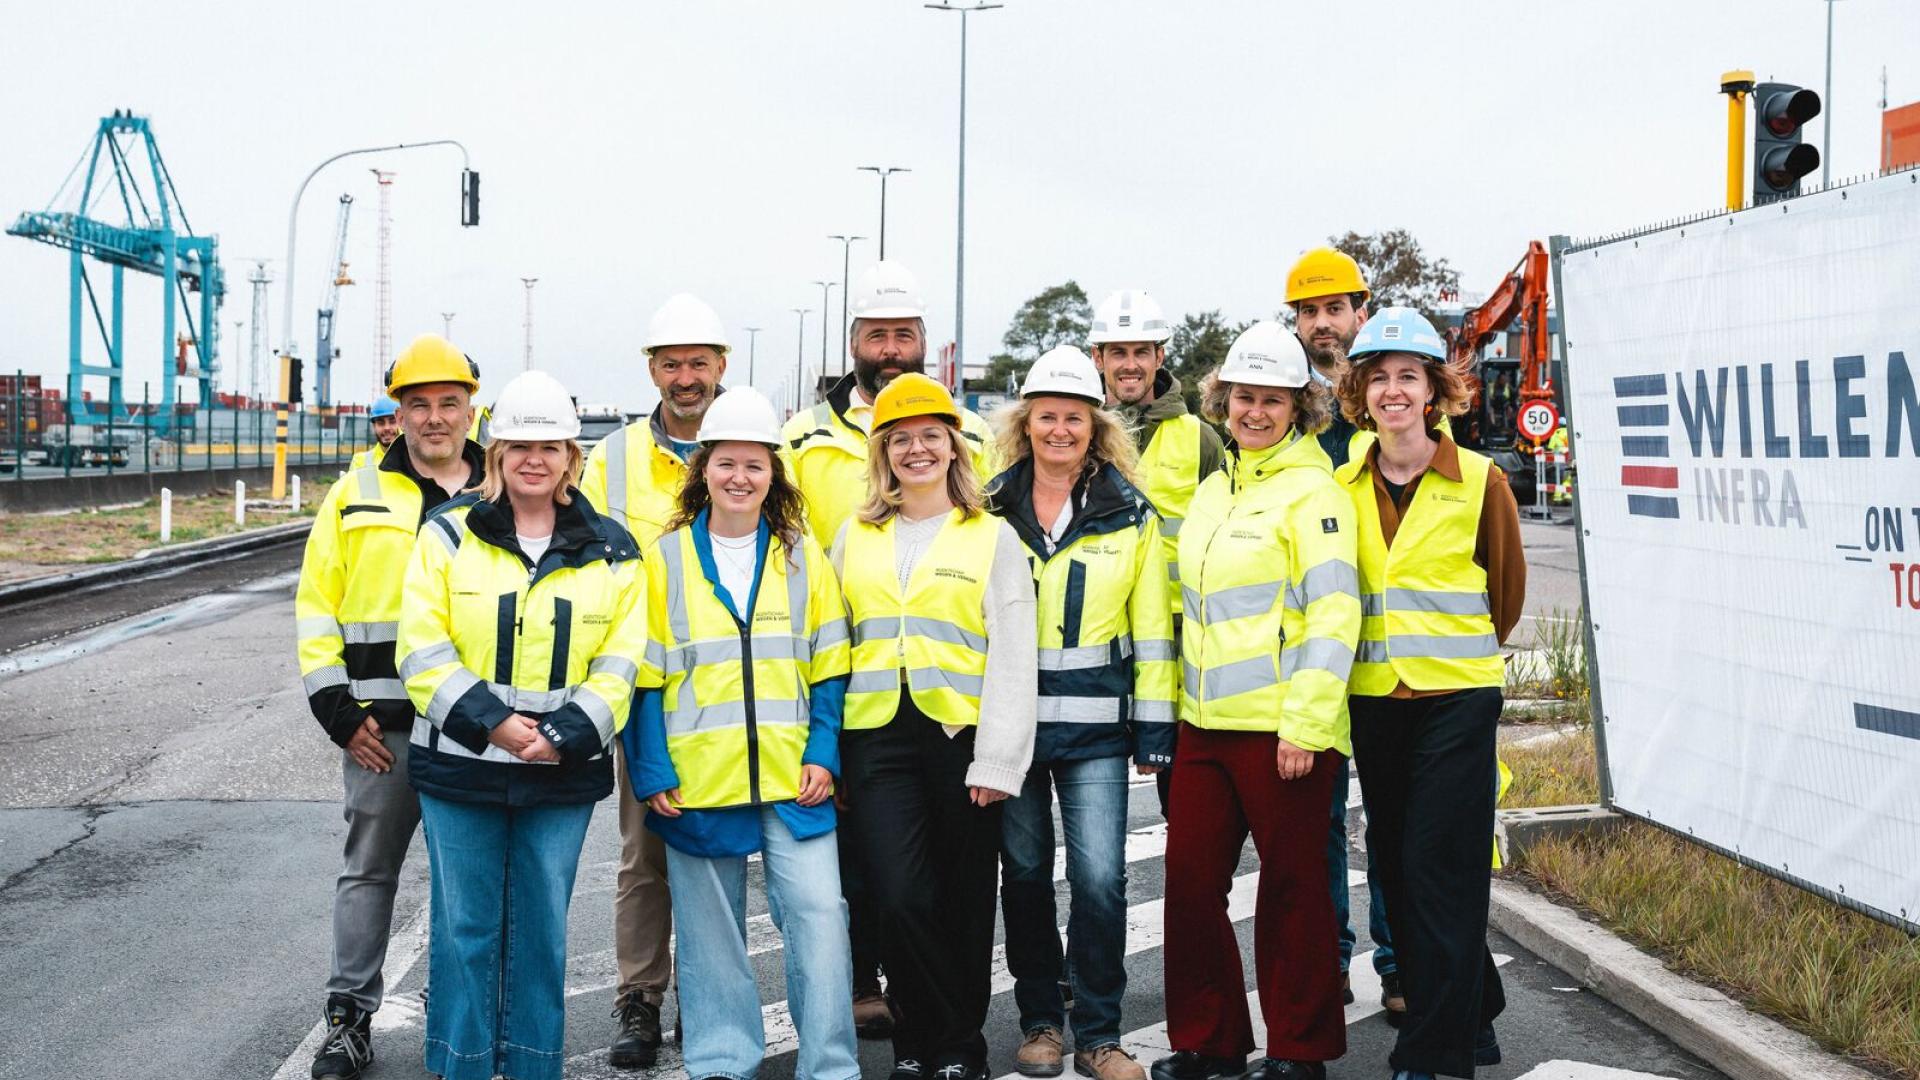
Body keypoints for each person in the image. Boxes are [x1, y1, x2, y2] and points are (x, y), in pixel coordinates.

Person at [396, 369, 652, 1080]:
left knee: (540, 934)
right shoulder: (447, 536)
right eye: (519, 446)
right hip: (462, 767)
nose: (534, 459)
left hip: (559, 774)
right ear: (496, 454)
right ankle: (463, 1067)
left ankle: (536, 1067)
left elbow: (624, 659)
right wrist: (495, 726)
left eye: (551, 447)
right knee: (465, 932)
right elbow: (421, 648)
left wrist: (565, 734)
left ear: (573, 457)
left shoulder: (613, 548)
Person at [782, 260, 998, 1037]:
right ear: (854, 342)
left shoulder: (975, 443)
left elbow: (1000, 613)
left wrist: (1000, 752)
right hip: (869, 713)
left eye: (904, 333)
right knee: (877, 879)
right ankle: (881, 993)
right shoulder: (805, 439)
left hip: (956, 716)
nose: (891, 345)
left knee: (955, 886)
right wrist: (824, 736)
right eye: (878, 333)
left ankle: (946, 1031)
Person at [624, 385, 861, 1080]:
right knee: (709, 934)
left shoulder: (800, 556)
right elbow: (644, 677)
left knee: (820, 918)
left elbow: (830, 664)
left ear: (773, 475)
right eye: (726, 463)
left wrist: (824, 751)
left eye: (754, 465)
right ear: (704, 470)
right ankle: (723, 1059)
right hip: (698, 779)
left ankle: (831, 1065)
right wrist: (652, 770)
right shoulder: (663, 561)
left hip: (795, 775)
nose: (739, 477)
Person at [1152, 323, 1360, 1080]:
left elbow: (1336, 616)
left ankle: (1300, 1052)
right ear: (1223, 399)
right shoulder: (1212, 493)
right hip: (1203, 727)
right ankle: (1210, 1043)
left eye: (1273, 399)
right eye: (1244, 396)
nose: (1255, 411)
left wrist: (1304, 724)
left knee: (1294, 891)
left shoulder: (1317, 494)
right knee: (1189, 885)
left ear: (1299, 406)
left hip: (1283, 733)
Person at [1332, 308, 1526, 1080]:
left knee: (1439, 868)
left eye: (1408, 376)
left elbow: (1506, 596)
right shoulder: (1341, 484)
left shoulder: (1481, 480)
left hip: (1457, 701)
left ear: (1436, 390)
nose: (1392, 391)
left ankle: (1435, 1056)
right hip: (1375, 702)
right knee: (1402, 866)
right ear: (1359, 392)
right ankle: (1474, 1009)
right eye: (1377, 378)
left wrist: (1455, 664)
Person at [833, 372, 1036, 1080]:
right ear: (882, 453)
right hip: (875, 738)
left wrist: (998, 760)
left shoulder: (992, 536)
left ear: (953, 448)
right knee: (896, 894)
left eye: (930, 437)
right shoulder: (853, 537)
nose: (916, 450)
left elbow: (1014, 654)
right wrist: (826, 751)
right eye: (900, 440)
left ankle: (952, 1048)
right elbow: (831, 645)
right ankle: (921, 1032)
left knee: (965, 897)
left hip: (961, 739)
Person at [295, 334, 485, 1080]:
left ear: (473, 407)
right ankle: (348, 1019)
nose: (434, 418)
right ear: (397, 412)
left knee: (464, 881)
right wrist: (336, 709)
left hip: (475, 727)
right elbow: (317, 604)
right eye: (418, 405)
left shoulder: (501, 492)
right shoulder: (357, 493)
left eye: (448, 403)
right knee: (369, 871)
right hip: (382, 730)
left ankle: (458, 1016)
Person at [986, 347, 1173, 1080]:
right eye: (1046, 417)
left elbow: (1153, 628)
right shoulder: (989, 509)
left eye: (1074, 418)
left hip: (1097, 731)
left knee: (1100, 880)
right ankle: (1040, 1023)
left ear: (1094, 429)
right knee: (1025, 874)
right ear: (1024, 424)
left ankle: (1099, 1033)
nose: (1059, 430)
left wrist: (1154, 729)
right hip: (1013, 732)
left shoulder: (1130, 513)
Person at [579, 292, 731, 1067]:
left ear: (722, 367)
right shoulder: (611, 459)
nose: (685, 377)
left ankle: (709, 999)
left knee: (714, 849)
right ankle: (640, 997)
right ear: (652, 370)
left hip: (737, 689)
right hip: (645, 687)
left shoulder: (749, 444)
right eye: (671, 363)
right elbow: (594, 567)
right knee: (644, 853)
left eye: (698, 363)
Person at [1283, 247, 1402, 1018]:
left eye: (1334, 308)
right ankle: (1328, 960)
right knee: (1317, 821)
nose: (1322, 324)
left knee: (1391, 815)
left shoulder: (1399, 395)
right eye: (1308, 311)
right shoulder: (1287, 407)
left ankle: (1398, 965)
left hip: (1394, 655)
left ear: (1363, 309)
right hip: (1315, 655)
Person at [1088, 288, 1224, 820]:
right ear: (1097, 358)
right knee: (1091, 795)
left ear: (1160, 357)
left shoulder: (1202, 440)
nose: (1129, 365)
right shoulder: (1072, 431)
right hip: (1094, 637)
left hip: (1174, 639)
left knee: (1182, 801)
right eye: (1117, 353)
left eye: (1141, 351)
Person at [349, 397, 402, 470]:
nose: (387, 428)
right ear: (374, 426)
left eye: (392, 422)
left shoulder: (416, 459)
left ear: (402, 422)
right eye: (381, 423)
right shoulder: (360, 462)